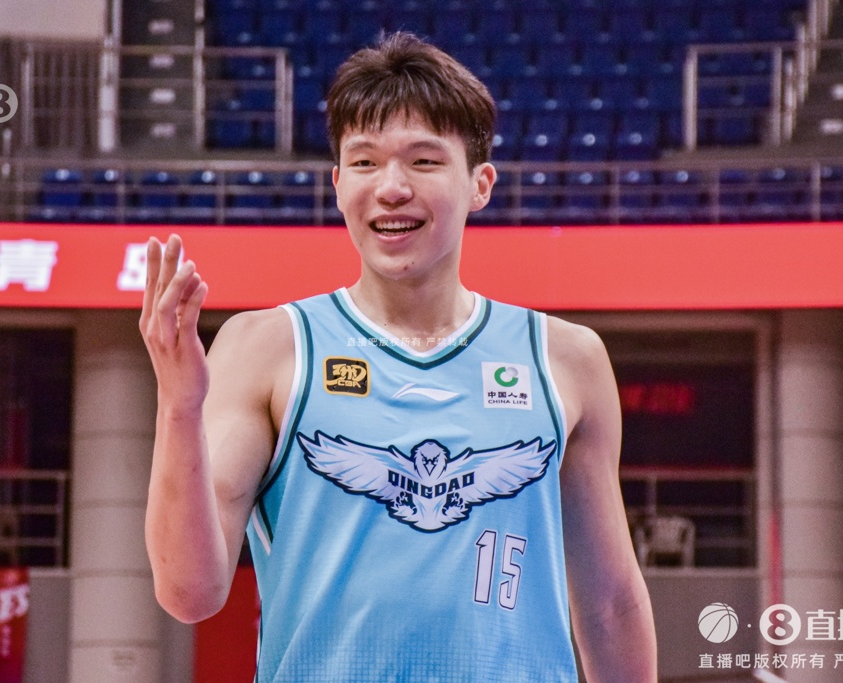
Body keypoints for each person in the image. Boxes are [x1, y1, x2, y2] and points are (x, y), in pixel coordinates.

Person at [142, 31, 657, 682]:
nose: (390, 188)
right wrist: (178, 407)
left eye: (423, 161)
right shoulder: (267, 348)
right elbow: (189, 593)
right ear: (337, 184)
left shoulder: (567, 359)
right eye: (364, 162)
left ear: (480, 183)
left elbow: (610, 604)